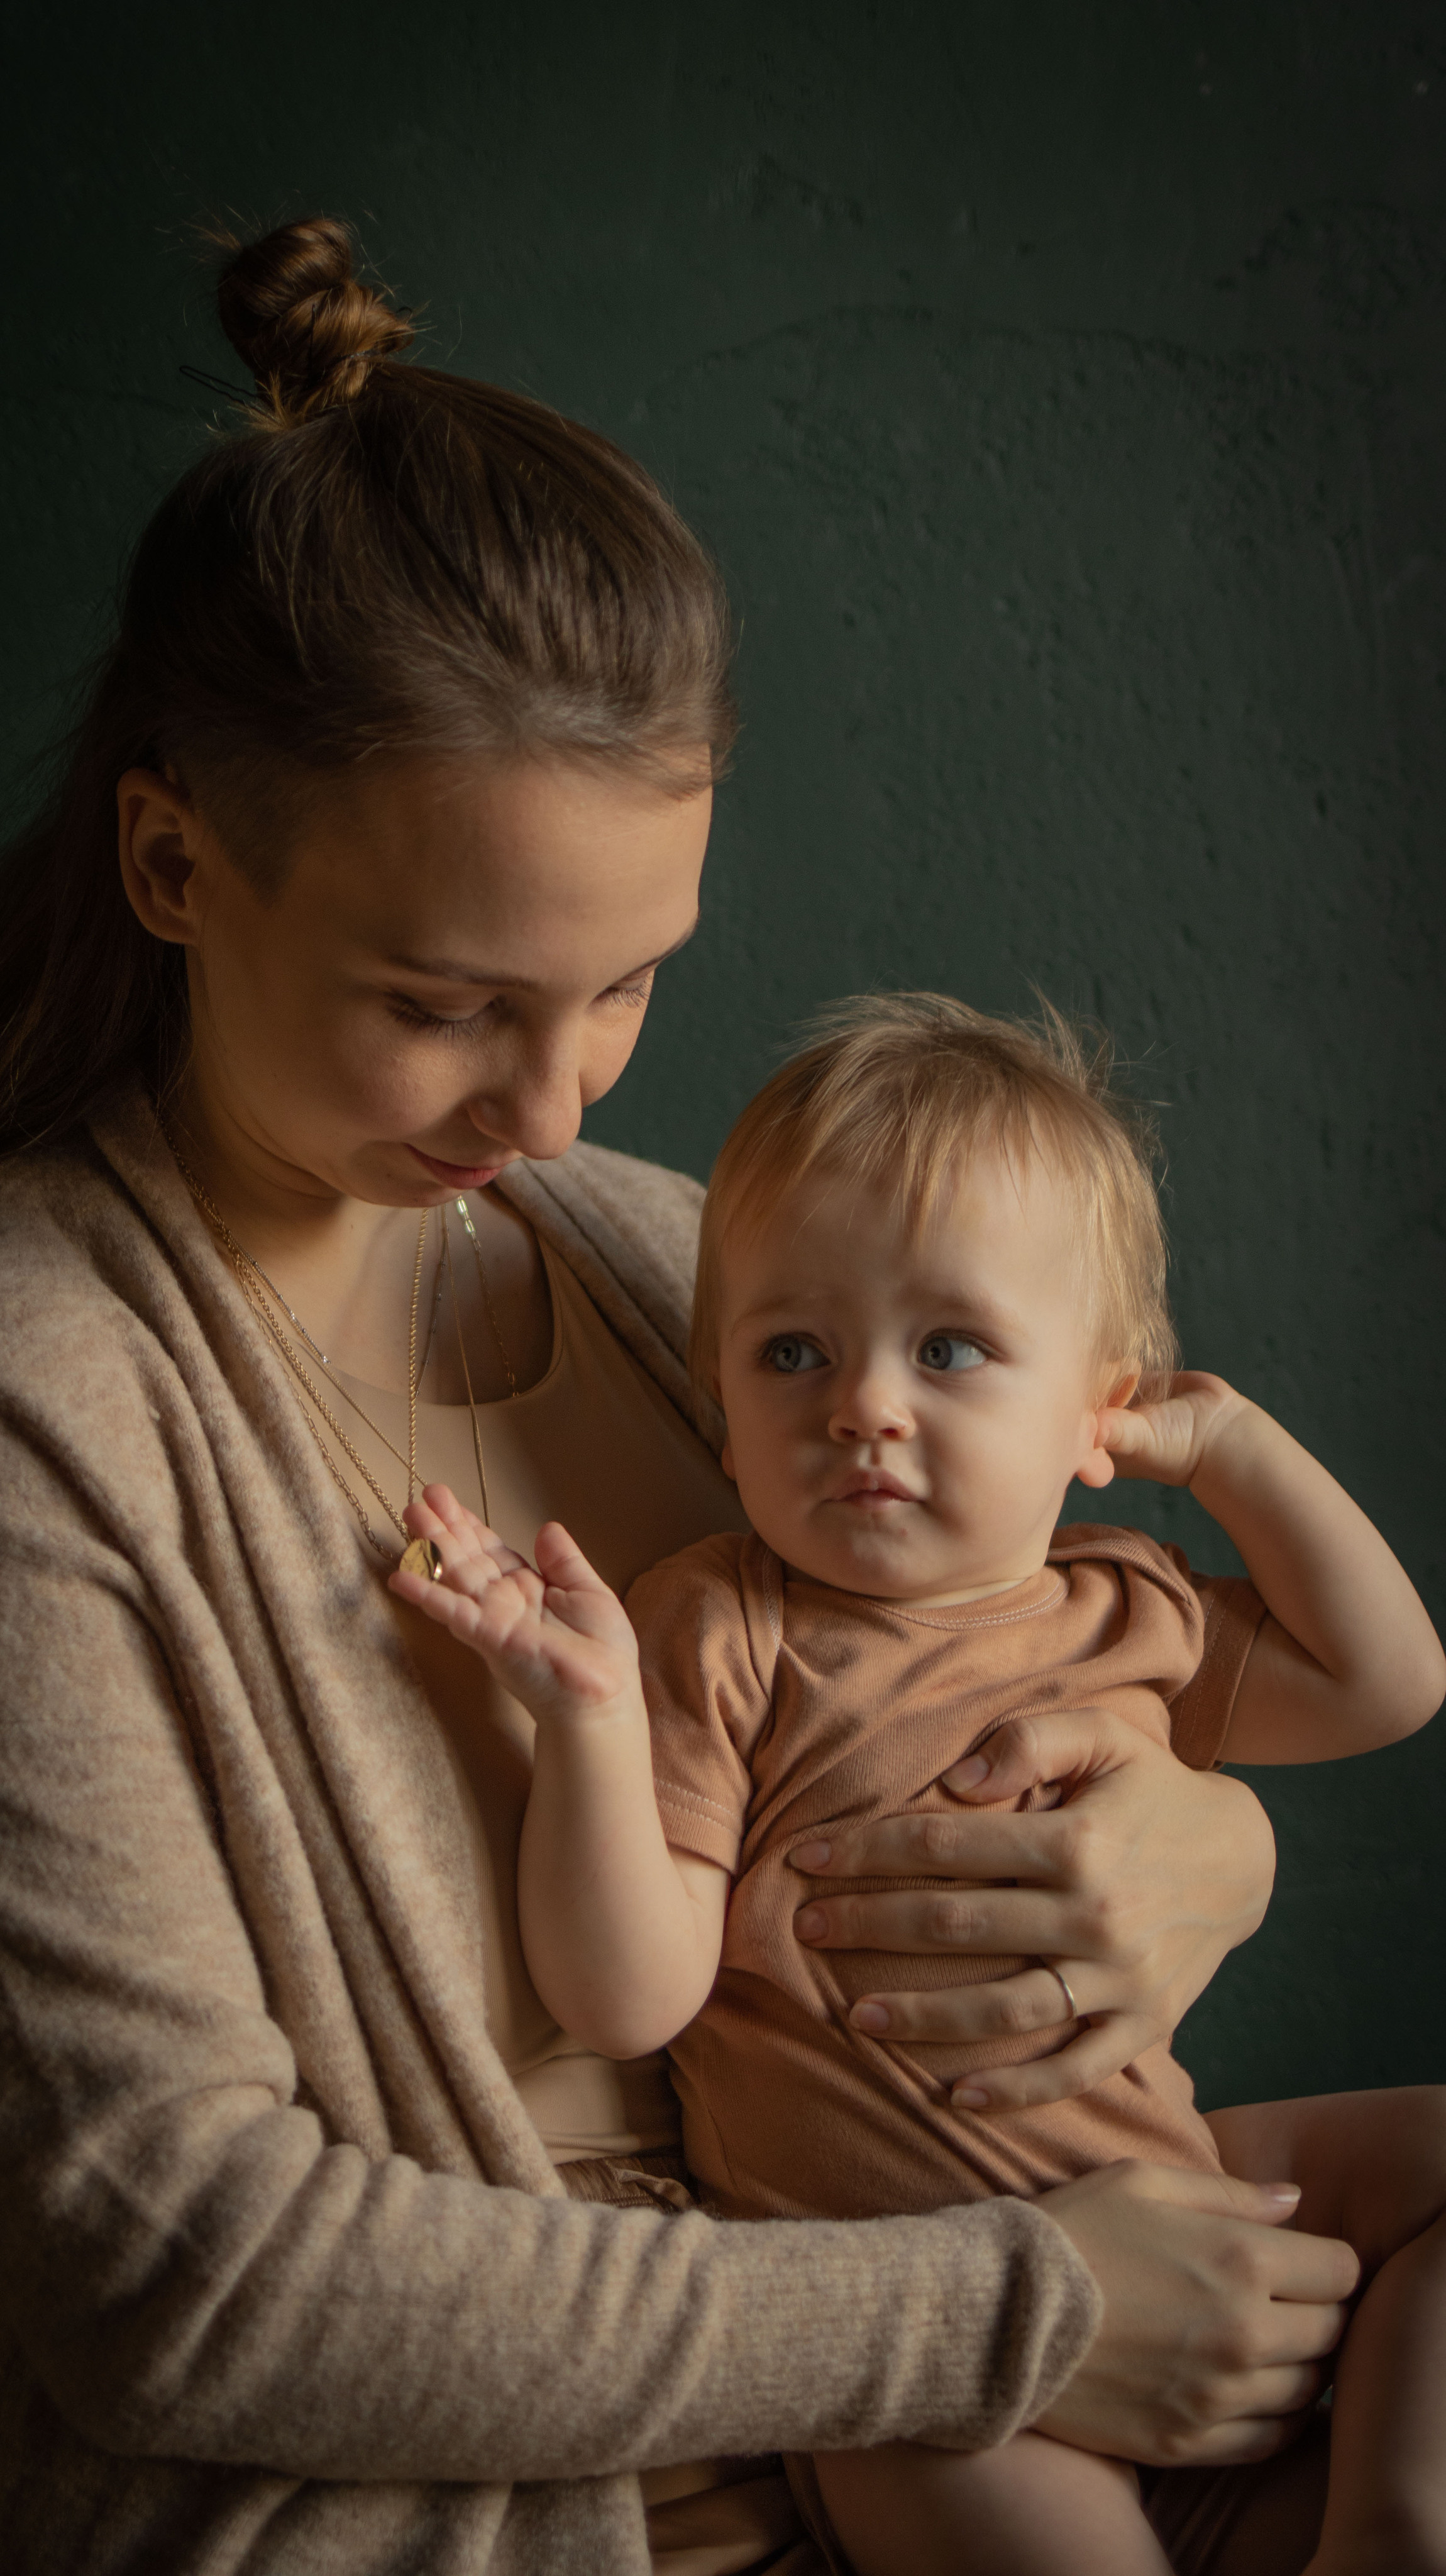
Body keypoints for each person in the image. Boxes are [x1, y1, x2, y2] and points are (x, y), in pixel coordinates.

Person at [0, 217, 1360, 2576]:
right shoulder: (56, 1398)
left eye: (630, 981)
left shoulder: (671, 1257)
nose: (550, 1095)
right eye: (446, 999)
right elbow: (192, 2279)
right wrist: (996, 2315)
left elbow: (1047, 1688)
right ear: (169, 857)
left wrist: (1193, 1856)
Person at [397, 995, 1446, 2576]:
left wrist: (1231, 1449)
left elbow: (1389, 1681)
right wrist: (594, 1723)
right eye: (792, 1350)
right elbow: (629, 1994)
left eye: (949, 1347)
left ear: (1100, 1400)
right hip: (929, 2342)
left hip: (1184, 2189)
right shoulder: (720, 1623)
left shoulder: (1126, 1602)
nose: (862, 1404)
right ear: (724, 1403)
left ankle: (1394, 2519)